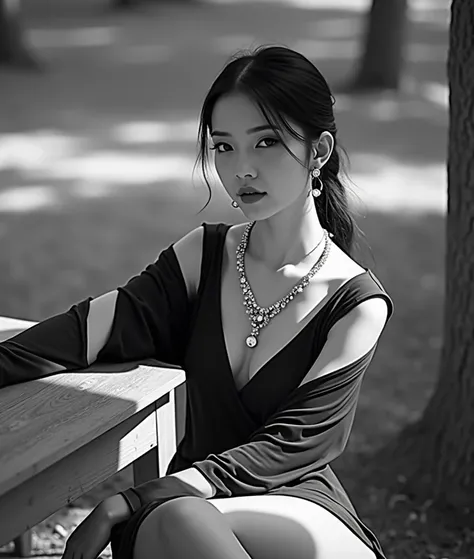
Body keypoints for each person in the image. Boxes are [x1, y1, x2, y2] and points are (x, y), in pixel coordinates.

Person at [0, 45, 394, 559]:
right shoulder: (202, 257)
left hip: (290, 501)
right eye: (224, 147)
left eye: (267, 142)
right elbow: (81, 334)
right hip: (183, 512)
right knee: (182, 522)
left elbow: (293, 445)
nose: (242, 169)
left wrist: (133, 500)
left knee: (183, 516)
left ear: (319, 152)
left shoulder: (357, 303)